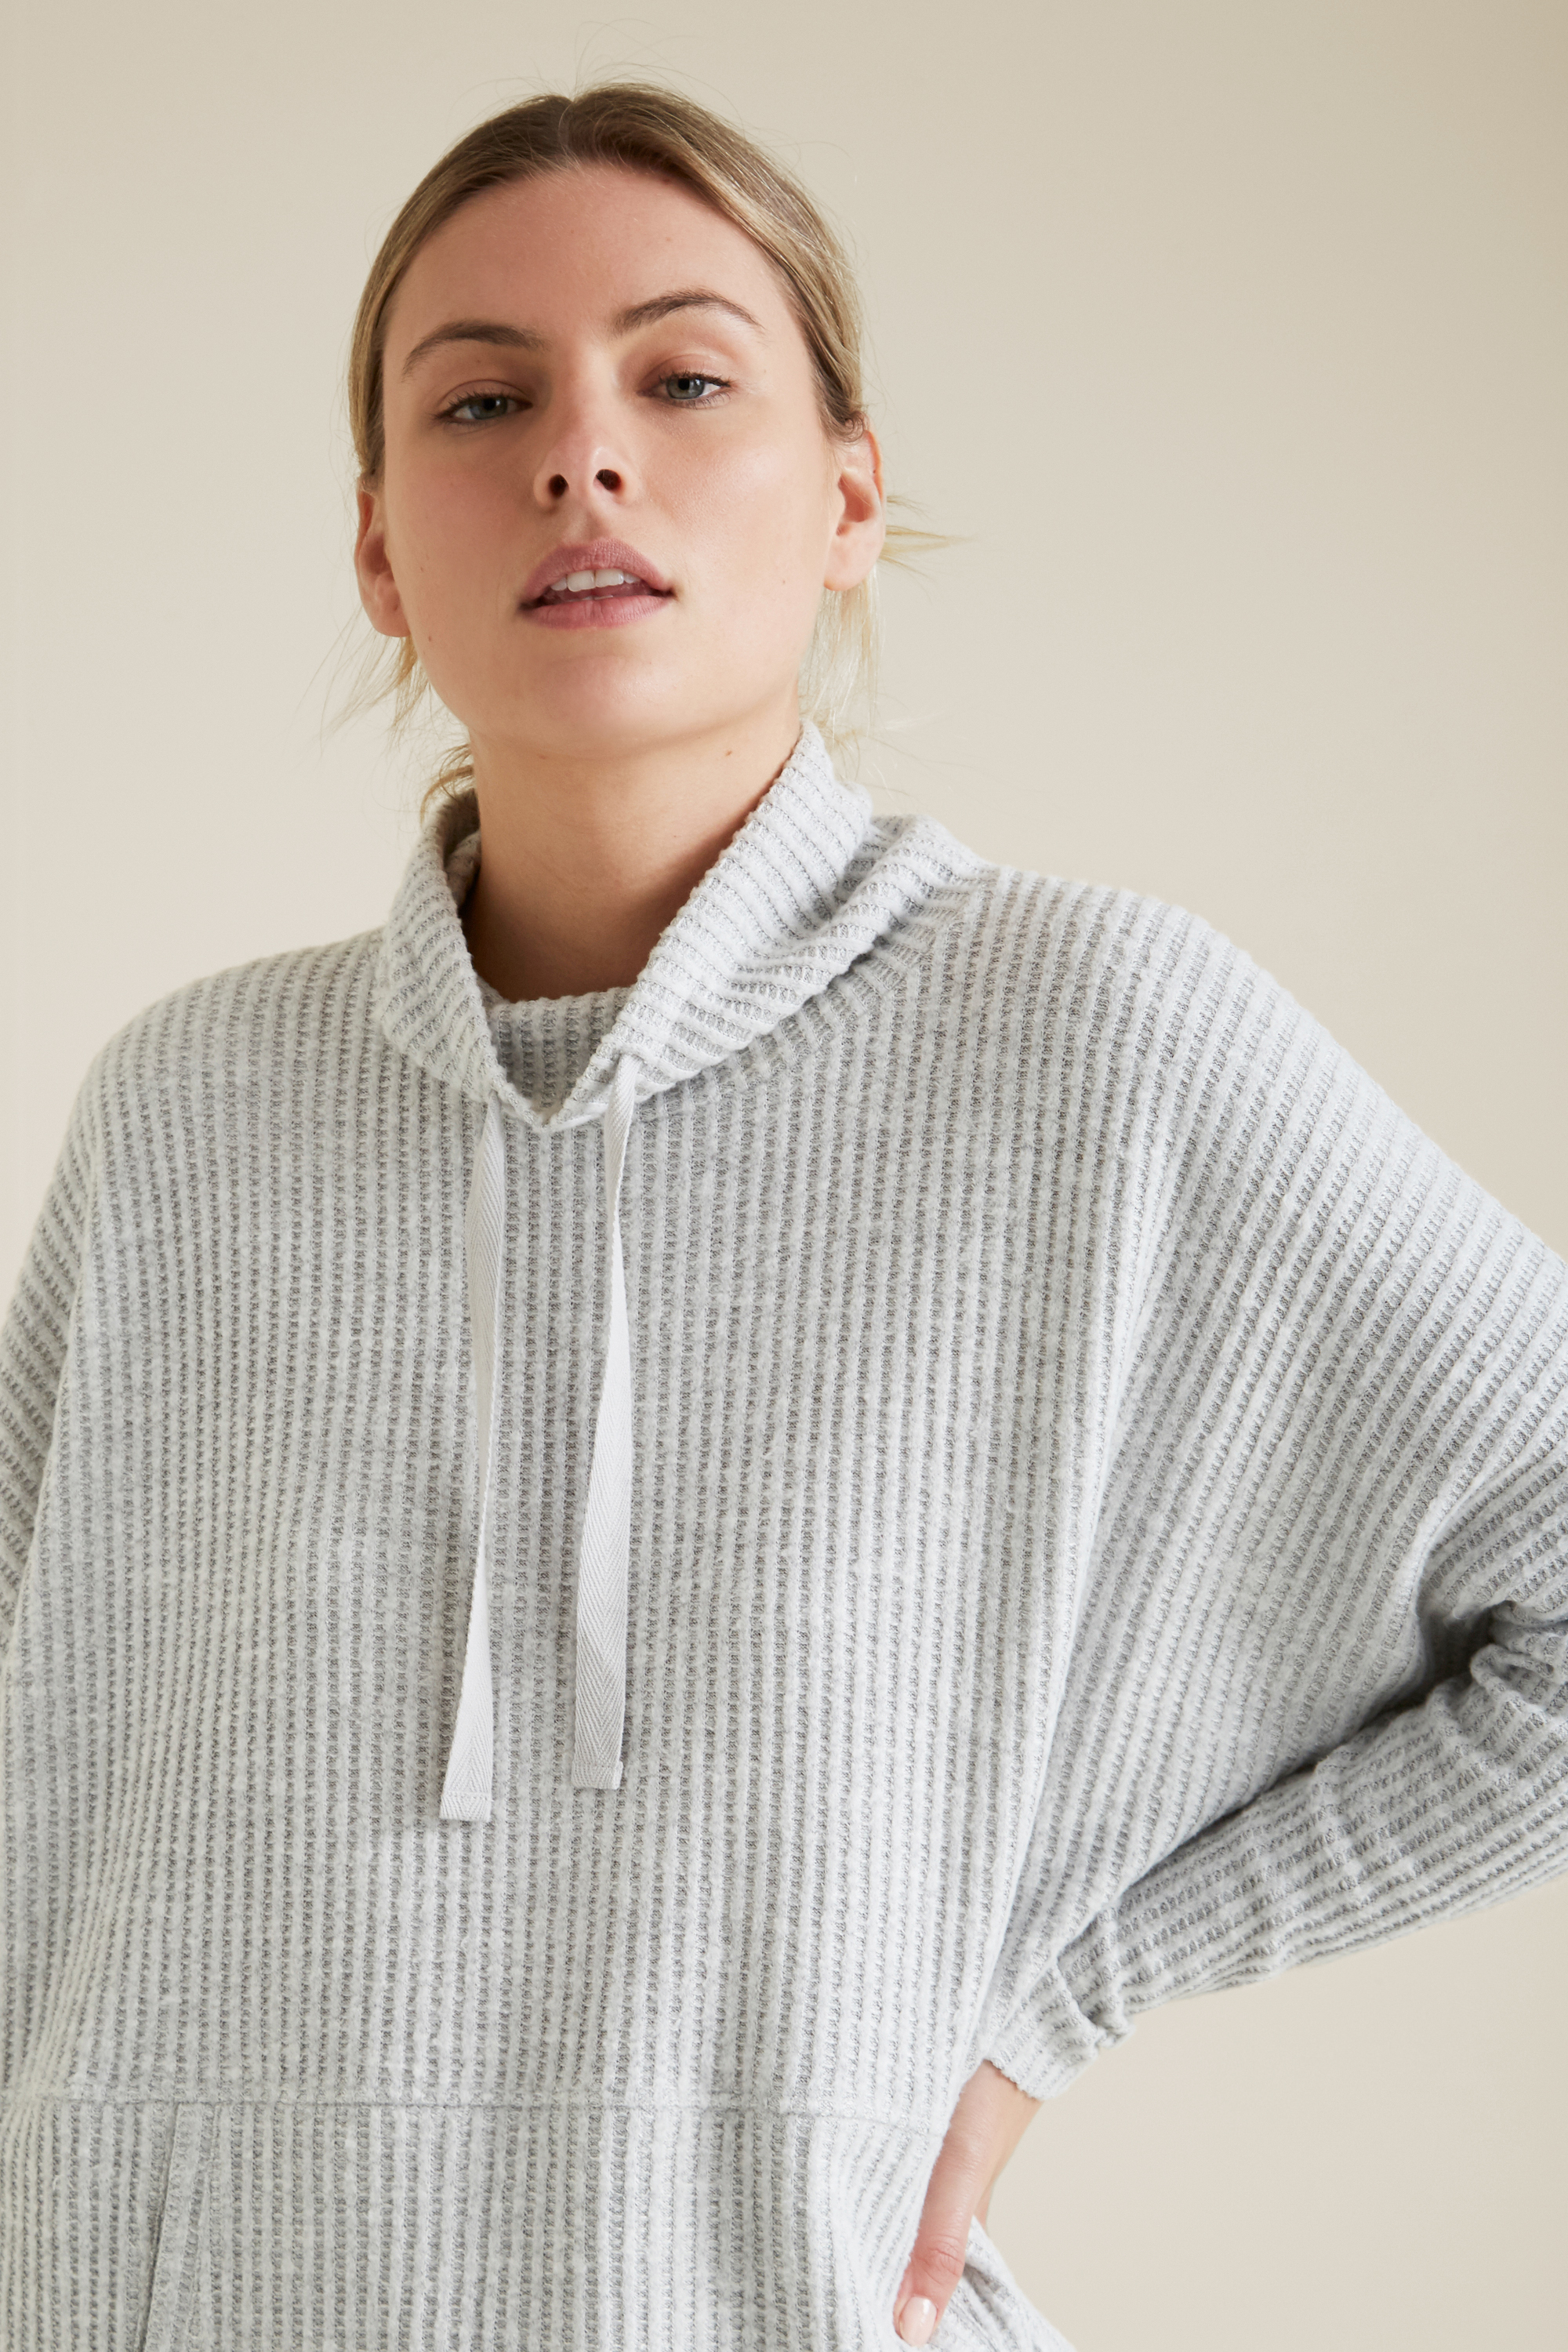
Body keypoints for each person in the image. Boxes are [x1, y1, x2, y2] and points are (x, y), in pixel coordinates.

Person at [1, 78, 1563, 2352]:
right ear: (378, 550)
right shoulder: (185, 1118)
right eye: (483, 400)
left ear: (846, 498)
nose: (581, 456)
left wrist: (1061, 1999)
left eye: (684, 377)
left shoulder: (1092, 1040)